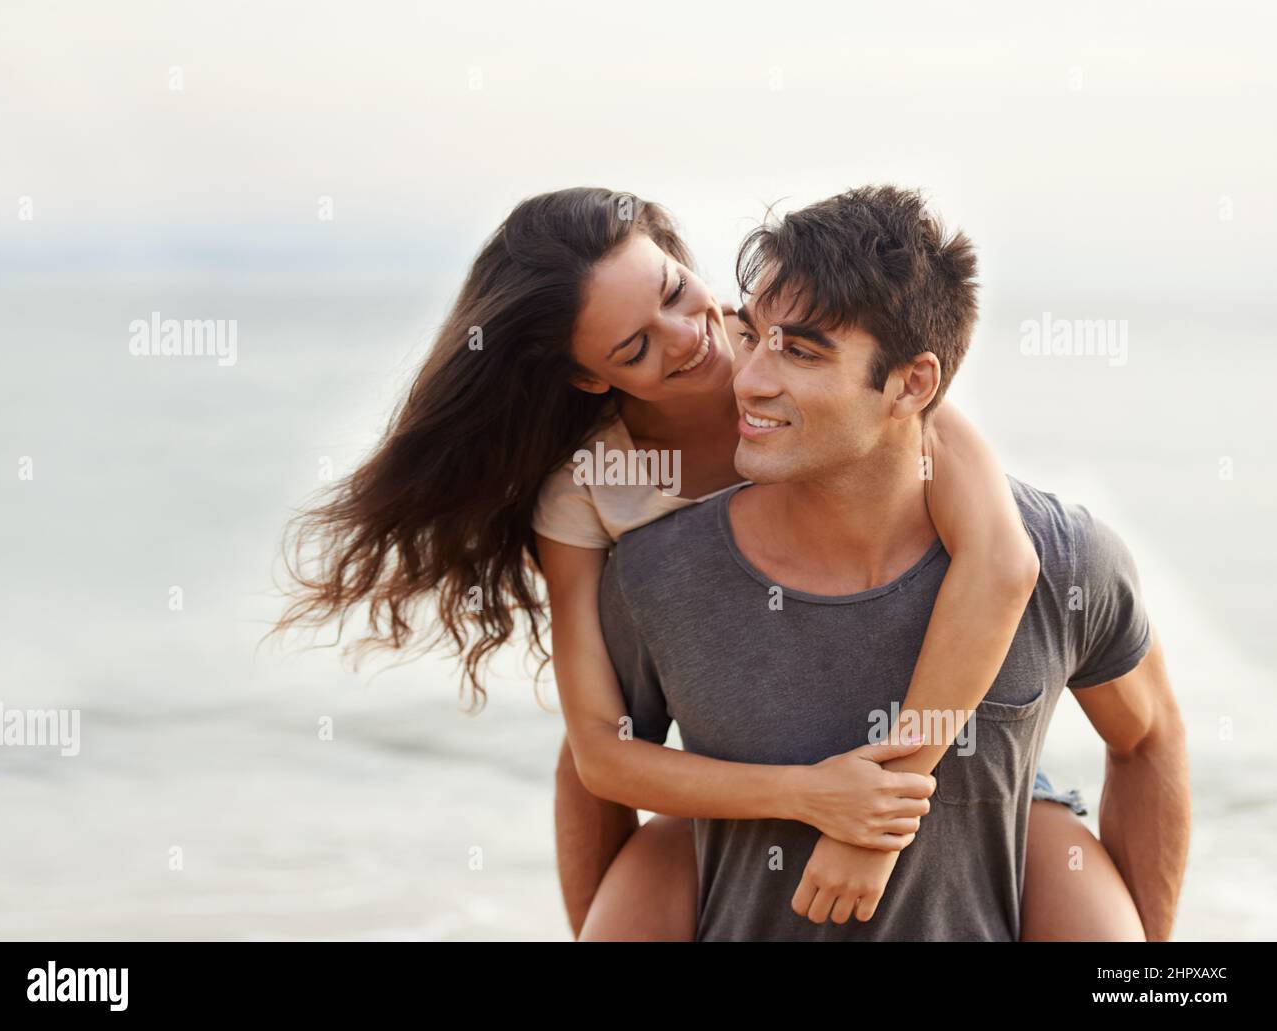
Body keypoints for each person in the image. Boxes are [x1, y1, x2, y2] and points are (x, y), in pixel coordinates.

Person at [275, 186, 1161, 940]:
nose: (695, 342)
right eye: (635, 348)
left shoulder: (796, 346)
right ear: (590, 378)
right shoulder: (596, 492)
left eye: (674, 291)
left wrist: (876, 813)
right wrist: (812, 798)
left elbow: (1004, 561)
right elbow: (601, 752)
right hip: (741, 766)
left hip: (953, 759)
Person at [581, 185, 1190, 939]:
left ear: (912, 383)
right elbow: (600, 769)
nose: (749, 379)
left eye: (802, 351)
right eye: (758, 335)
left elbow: (1148, 737)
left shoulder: (1065, 561)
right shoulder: (657, 576)